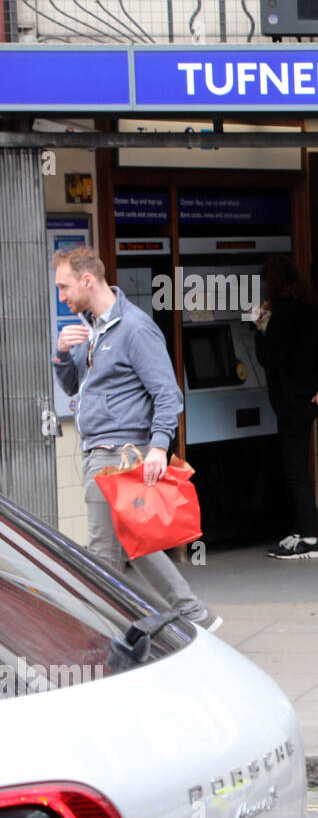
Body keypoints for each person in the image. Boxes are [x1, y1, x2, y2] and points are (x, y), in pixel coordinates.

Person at [50, 247, 221, 631]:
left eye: (64, 286)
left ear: (87, 280)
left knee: (102, 551)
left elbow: (167, 393)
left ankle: (105, 630)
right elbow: (74, 383)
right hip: (101, 451)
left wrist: (159, 446)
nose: (61, 296)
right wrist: (62, 354)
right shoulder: (91, 327)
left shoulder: (135, 328)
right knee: (136, 542)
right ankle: (192, 613)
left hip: (119, 454)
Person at [254, 254, 318, 560]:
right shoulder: (310, 312)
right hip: (307, 399)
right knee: (298, 466)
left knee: (296, 469)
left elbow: (269, 358)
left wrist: (258, 329)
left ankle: (309, 539)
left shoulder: (278, 316)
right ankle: (301, 530)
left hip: (288, 401)